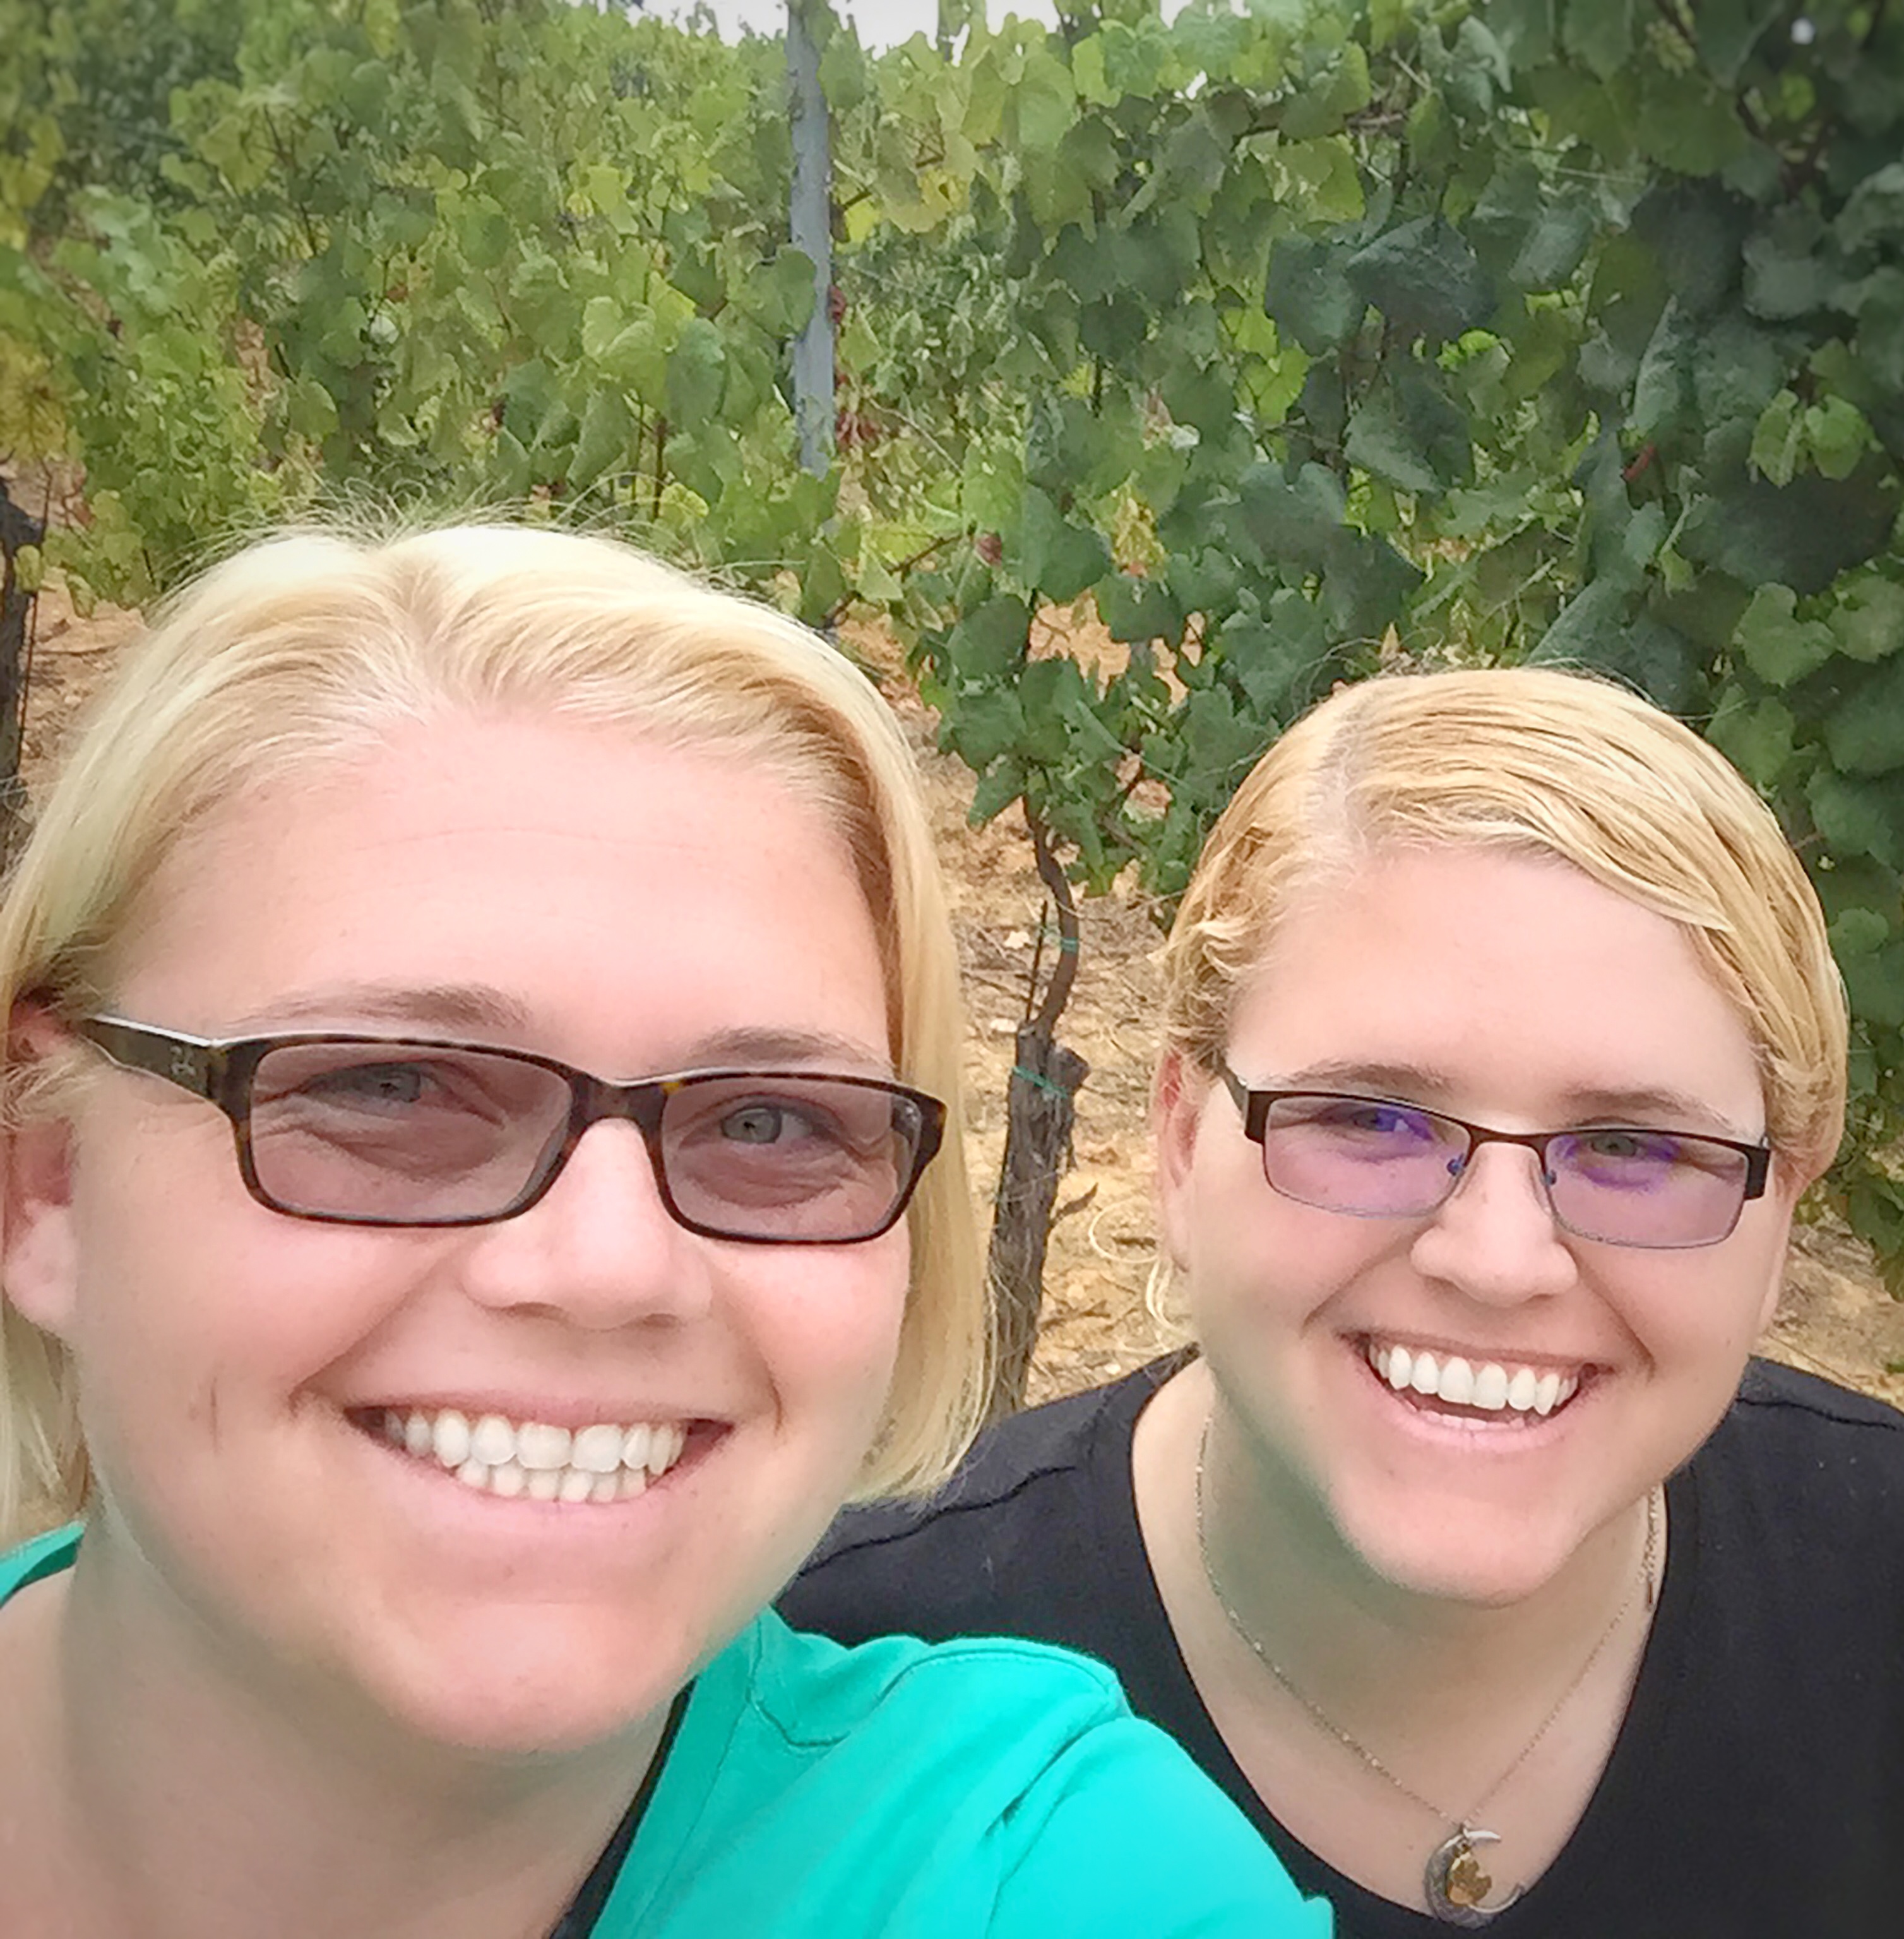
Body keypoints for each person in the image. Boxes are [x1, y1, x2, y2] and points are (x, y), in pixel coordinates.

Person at [0, 523, 1328, 1936]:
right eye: (392, 1090)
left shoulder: (1051, 1881)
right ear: (48, 1176)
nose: (610, 1266)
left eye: (768, 1123)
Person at [786, 665, 1904, 1937]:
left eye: (1633, 1148)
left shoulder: (1893, 1575)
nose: (1499, 1261)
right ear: (1181, 1143)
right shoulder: (846, 1701)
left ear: (1784, 1213)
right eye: (1371, 1120)